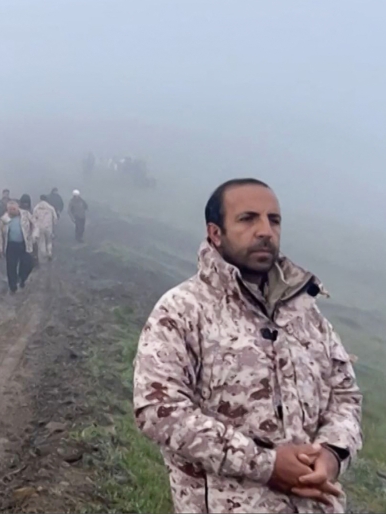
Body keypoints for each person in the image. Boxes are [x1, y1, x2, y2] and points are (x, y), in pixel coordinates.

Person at [133, 179, 362, 514]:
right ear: (215, 233)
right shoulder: (182, 311)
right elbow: (158, 410)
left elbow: (345, 395)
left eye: (274, 220)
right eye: (248, 219)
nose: (265, 230)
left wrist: (331, 453)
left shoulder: (307, 314)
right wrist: (265, 465)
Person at [0, 200, 36, 294]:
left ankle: (22, 278)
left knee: (28, 264)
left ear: (18, 208)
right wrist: (0, 248)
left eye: (13, 209)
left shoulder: (25, 215)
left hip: (24, 243)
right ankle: (12, 286)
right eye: (9, 209)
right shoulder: (4, 219)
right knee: (11, 266)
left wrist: (34, 235)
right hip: (10, 245)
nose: (11, 211)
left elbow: (35, 224)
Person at [32, 195, 59, 264]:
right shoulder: (50, 207)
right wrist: (54, 224)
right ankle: (49, 252)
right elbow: (55, 218)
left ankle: (44, 255)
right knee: (49, 241)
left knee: (41, 242)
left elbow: (34, 218)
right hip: (48, 227)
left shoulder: (36, 207)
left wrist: (35, 226)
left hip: (40, 227)